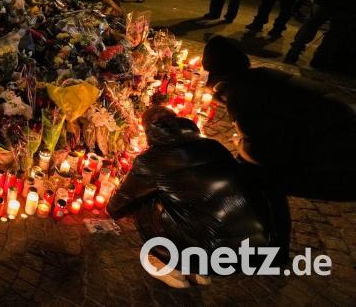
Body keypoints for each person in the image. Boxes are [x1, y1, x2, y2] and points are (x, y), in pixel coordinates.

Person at [107, 107, 289, 288]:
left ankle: (167, 264)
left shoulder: (151, 160)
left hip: (211, 253)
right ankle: (198, 270)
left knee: (145, 202)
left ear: (148, 132)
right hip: (251, 249)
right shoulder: (213, 145)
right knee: (187, 199)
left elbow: (116, 208)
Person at [203, 36, 356, 200]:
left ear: (220, 80)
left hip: (340, 166)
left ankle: (261, 220)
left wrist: (239, 142)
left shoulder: (240, 95)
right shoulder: (260, 76)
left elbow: (259, 154)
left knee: (249, 174)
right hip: (343, 130)